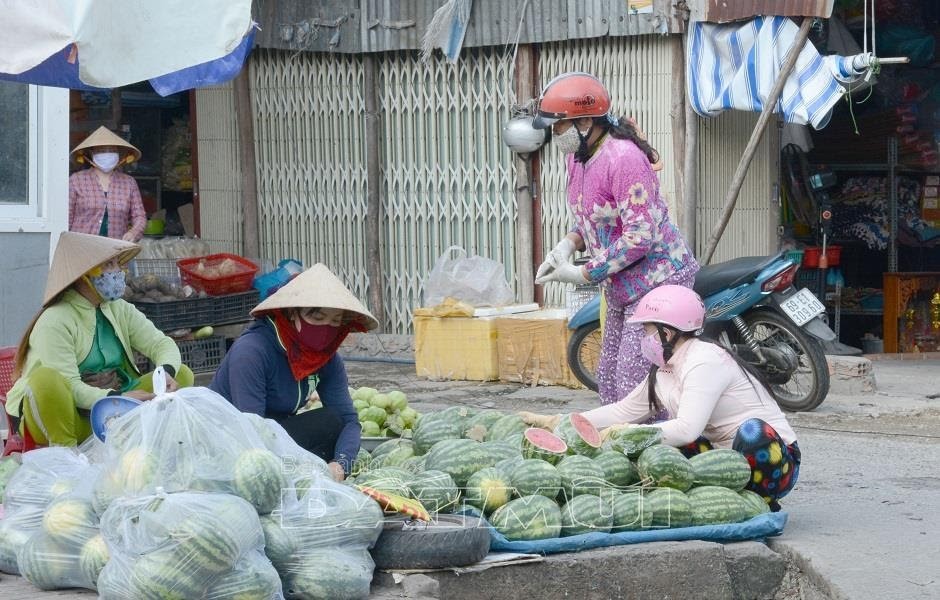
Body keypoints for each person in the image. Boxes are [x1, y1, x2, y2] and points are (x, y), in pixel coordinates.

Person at [520, 285, 801, 511]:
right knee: (661, 456)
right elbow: (623, 411)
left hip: (775, 461)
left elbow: (687, 428)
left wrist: (631, 433)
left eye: (647, 330)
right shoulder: (665, 367)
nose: (644, 337)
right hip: (725, 462)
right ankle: (720, 499)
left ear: (667, 332)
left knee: (751, 431)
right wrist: (563, 422)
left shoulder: (705, 360)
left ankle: (759, 503)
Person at [531, 72, 699, 406]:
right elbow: (595, 218)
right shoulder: (577, 159)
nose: (556, 134)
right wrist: (567, 244)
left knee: (633, 383)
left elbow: (639, 236)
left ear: (586, 122)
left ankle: (659, 448)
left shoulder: (623, 159)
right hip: (622, 286)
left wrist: (582, 273)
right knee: (608, 378)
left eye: (560, 126)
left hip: (659, 281)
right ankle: (620, 445)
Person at [4, 232, 194, 447]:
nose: (119, 271)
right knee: (47, 379)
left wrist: (165, 373)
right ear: (84, 276)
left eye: (116, 264)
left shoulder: (119, 309)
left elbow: (160, 343)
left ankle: (150, 449)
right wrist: (118, 396)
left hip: (113, 410)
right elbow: (70, 386)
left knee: (183, 375)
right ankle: (67, 459)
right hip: (64, 418)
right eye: (108, 265)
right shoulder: (55, 321)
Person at [209, 264, 378, 482]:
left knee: (333, 422)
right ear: (291, 314)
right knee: (324, 424)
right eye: (317, 318)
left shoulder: (327, 358)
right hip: (229, 444)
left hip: (275, 437)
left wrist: (340, 464)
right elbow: (252, 431)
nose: (326, 328)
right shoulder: (252, 352)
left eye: (335, 321)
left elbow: (348, 420)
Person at [69, 126, 147, 242]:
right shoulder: (76, 180)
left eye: (112, 150)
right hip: (82, 249)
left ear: (119, 154)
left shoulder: (129, 183)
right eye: (101, 150)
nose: (107, 154)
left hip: (115, 252)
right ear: (91, 154)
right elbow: (66, 216)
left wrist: (133, 232)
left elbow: (139, 216)